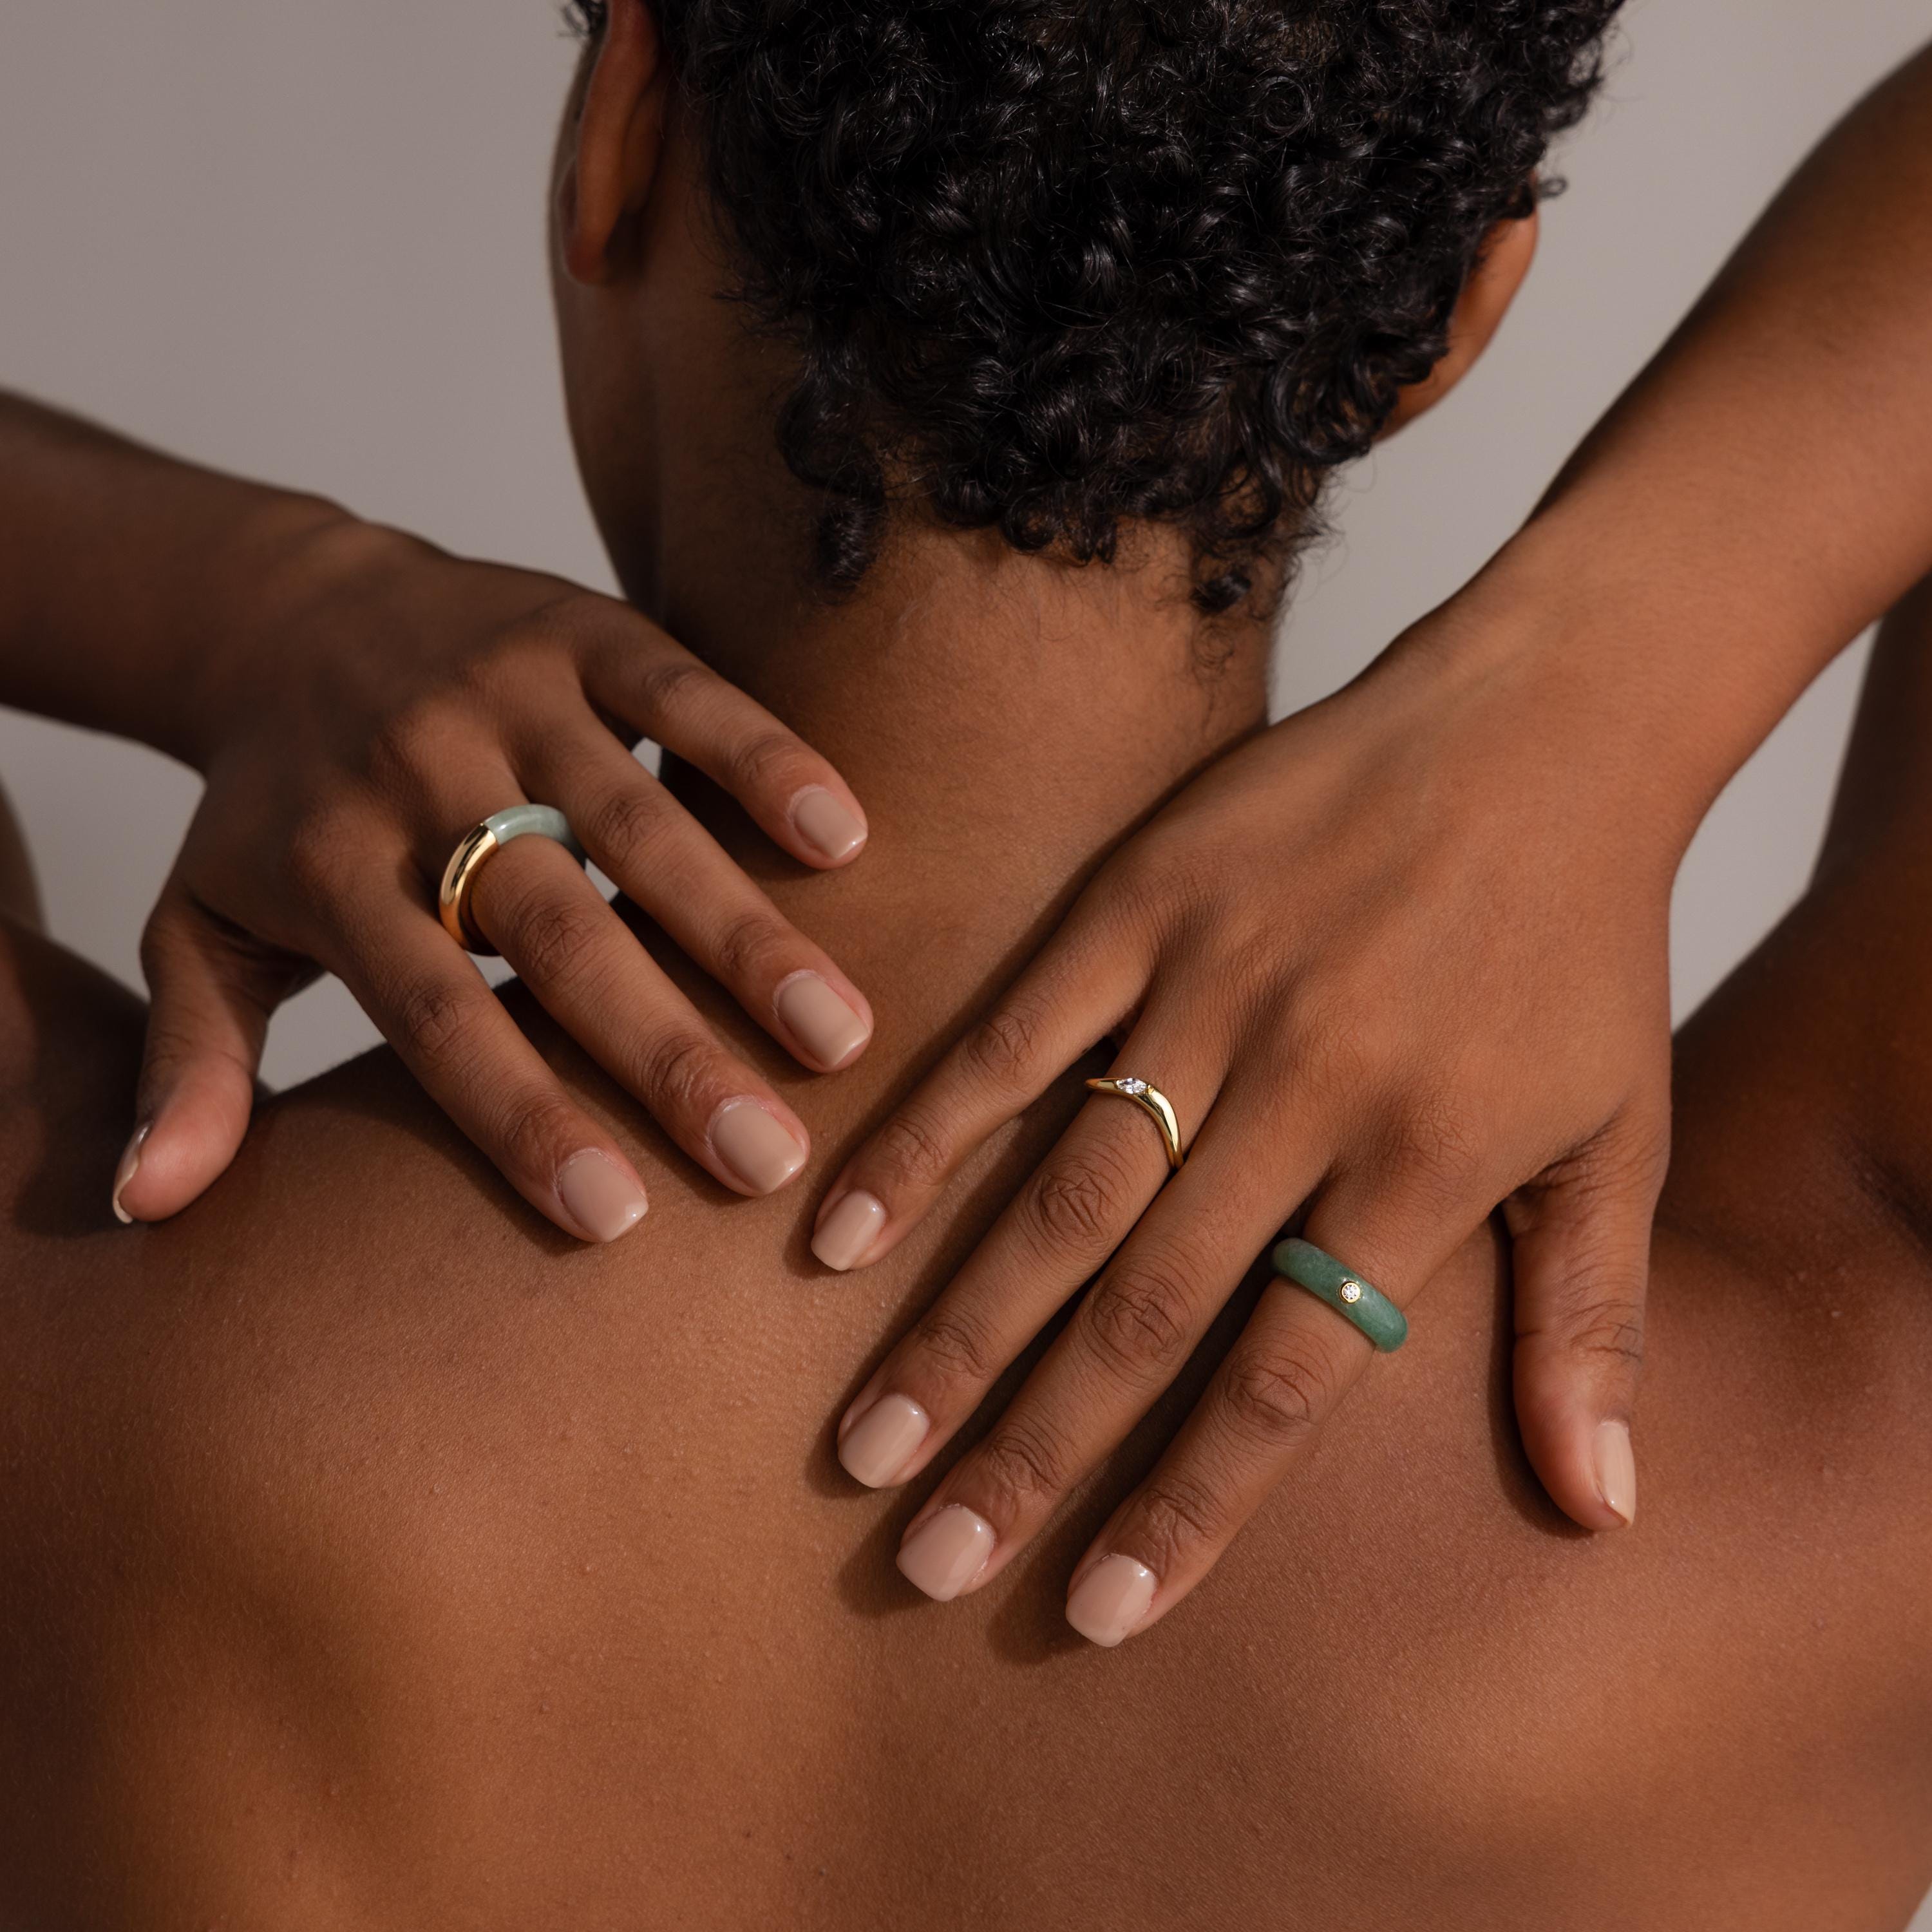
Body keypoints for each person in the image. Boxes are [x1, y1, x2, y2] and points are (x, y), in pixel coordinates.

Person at [3, 6, 1932, 1924]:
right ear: (1460, 305)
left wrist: (235, 596)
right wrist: (1607, 682)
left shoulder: (62, 1318)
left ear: (620, 128)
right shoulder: (1838, 1435)